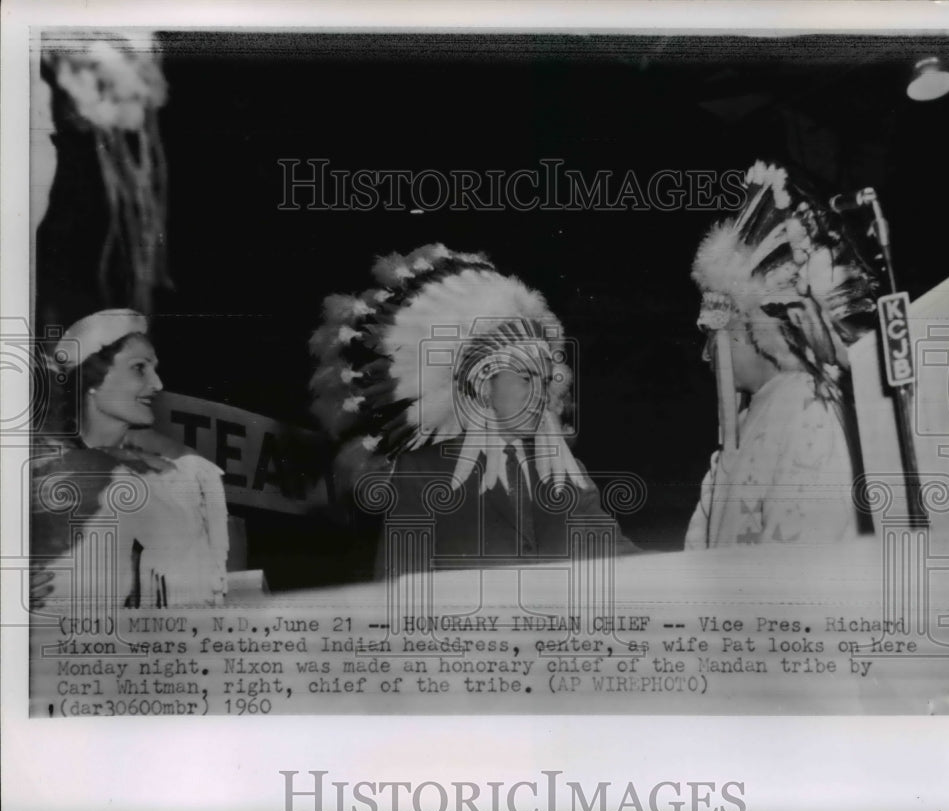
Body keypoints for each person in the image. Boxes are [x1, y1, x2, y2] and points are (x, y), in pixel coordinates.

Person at [309, 244, 638, 577]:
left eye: (544, 379)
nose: (540, 394)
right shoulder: (421, 473)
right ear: (483, 387)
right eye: (525, 378)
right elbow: (398, 590)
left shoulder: (565, 470)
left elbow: (618, 558)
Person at [685, 161, 878, 550]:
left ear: (742, 323)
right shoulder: (754, 416)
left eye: (711, 334)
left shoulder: (810, 407)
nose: (707, 356)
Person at [31, 309, 229, 609]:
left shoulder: (170, 473)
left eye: (155, 369)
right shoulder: (37, 472)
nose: (158, 384)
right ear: (93, 380)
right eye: (140, 368)